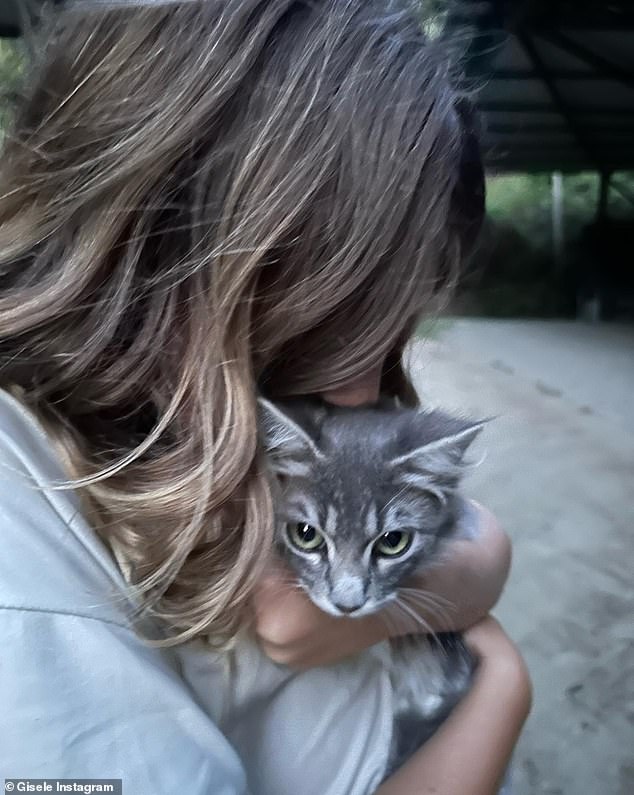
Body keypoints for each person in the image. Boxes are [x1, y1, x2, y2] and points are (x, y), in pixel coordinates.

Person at [0, 1, 531, 794]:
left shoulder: (151, 411)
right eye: (326, 327)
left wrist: (477, 560)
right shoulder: (24, 551)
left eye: (387, 337)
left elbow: (446, 536)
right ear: (151, 251)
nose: (360, 392)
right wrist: (500, 687)